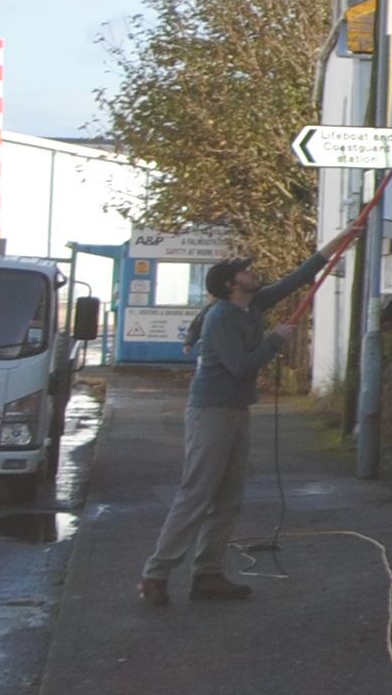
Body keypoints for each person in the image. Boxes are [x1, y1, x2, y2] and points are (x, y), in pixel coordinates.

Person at [138, 242, 337, 606]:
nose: (252, 273)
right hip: (211, 412)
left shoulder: (252, 304)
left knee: (229, 498)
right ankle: (156, 574)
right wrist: (275, 340)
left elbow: (297, 279)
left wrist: (342, 240)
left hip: (236, 409)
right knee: (197, 494)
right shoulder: (222, 318)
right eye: (245, 271)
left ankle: (208, 574)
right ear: (231, 284)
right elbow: (240, 367)